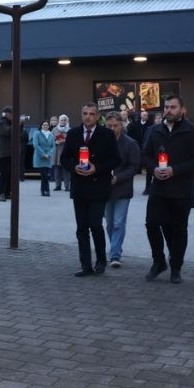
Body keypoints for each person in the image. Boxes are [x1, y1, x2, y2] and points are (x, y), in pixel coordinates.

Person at [139, 94, 194, 284]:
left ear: (182, 110)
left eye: (173, 107)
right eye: (166, 107)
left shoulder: (192, 131)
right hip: (158, 188)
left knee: (179, 229)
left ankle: (176, 267)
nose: (169, 110)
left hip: (181, 189)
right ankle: (159, 261)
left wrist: (174, 170)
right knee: (151, 224)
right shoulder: (154, 131)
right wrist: (153, 169)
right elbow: (144, 155)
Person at [59, 103, 120, 277]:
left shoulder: (106, 134)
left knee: (95, 224)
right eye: (85, 113)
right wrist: (74, 167)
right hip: (79, 186)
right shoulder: (73, 133)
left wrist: (97, 168)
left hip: (98, 186)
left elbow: (116, 160)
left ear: (97, 115)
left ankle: (101, 260)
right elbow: (64, 158)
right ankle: (85, 264)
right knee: (81, 228)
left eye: (91, 114)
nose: (88, 117)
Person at [103, 112, 140, 269]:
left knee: (119, 222)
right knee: (110, 224)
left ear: (121, 125)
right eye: (109, 126)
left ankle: (115, 254)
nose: (112, 129)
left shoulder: (130, 144)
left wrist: (118, 177)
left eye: (115, 126)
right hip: (104, 189)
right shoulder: (101, 141)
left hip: (122, 189)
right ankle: (115, 248)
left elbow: (135, 166)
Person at [0, 107, 13, 201]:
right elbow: (8, 132)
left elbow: (19, 133)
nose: (13, 116)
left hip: (12, 152)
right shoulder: (1, 123)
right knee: (4, 174)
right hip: (4, 152)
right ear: (7, 114)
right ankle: (1, 193)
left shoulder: (10, 123)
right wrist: (18, 123)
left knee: (10, 174)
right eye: (12, 114)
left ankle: (8, 192)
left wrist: (20, 124)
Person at [31, 120, 55, 196]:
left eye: (47, 125)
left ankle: (43, 190)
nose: (45, 126)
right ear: (41, 126)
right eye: (44, 125)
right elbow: (36, 145)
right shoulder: (37, 133)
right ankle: (47, 190)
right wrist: (43, 154)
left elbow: (53, 146)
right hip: (40, 158)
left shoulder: (51, 135)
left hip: (48, 158)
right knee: (44, 175)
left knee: (44, 176)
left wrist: (49, 154)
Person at [52, 114, 70, 191]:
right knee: (57, 170)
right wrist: (55, 141)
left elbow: (72, 141)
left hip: (66, 151)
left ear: (67, 121)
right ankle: (57, 186)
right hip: (56, 152)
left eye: (64, 120)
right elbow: (50, 140)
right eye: (61, 120)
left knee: (66, 170)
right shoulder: (54, 129)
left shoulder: (70, 130)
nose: (63, 121)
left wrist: (64, 140)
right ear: (59, 121)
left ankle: (67, 186)